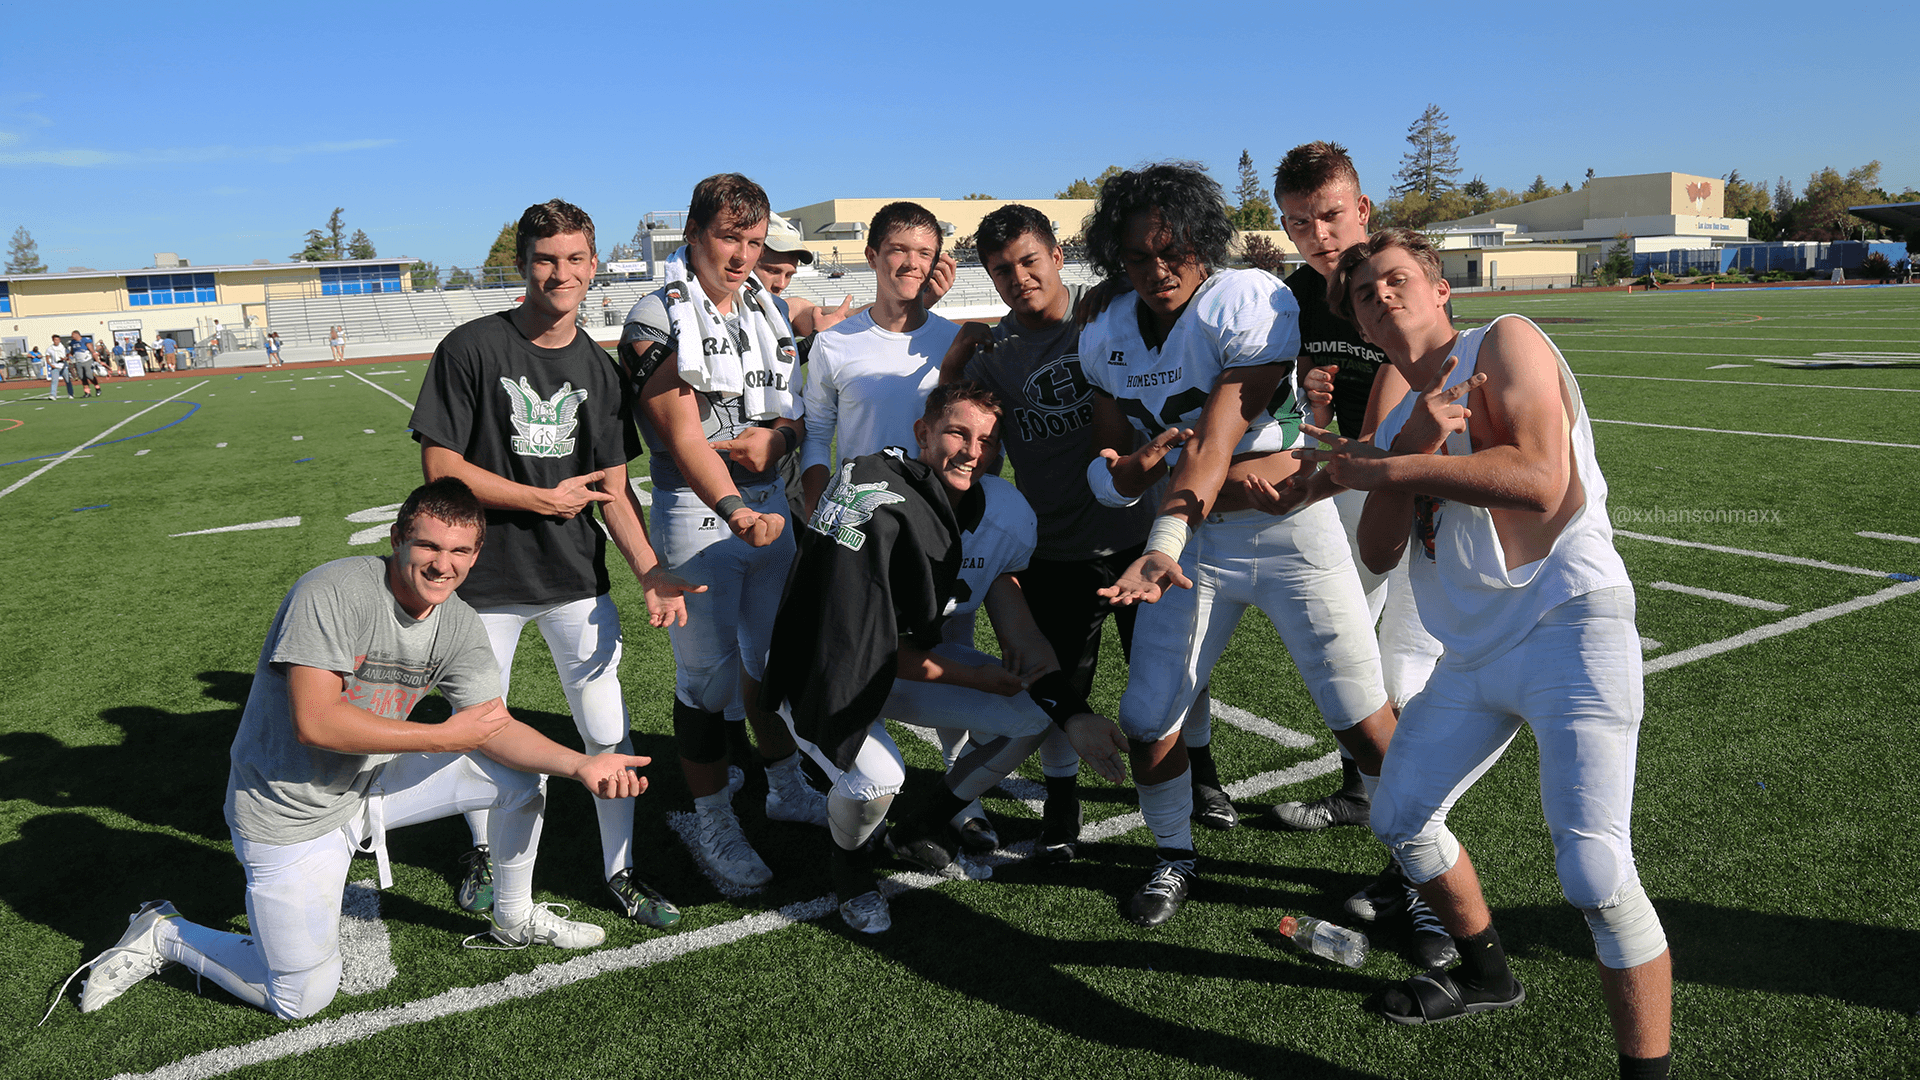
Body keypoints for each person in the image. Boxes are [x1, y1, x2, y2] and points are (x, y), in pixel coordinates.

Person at [50, 479, 643, 1024]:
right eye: (428, 546)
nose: (443, 565)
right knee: (300, 999)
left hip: (371, 783)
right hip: (289, 811)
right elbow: (316, 722)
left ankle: (513, 919)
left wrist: (580, 763)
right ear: (397, 538)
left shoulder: (458, 621)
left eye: (460, 552)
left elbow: (493, 725)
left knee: (519, 777)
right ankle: (165, 933)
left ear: (476, 554)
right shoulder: (333, 590)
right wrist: (442, 736)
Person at [1314, 229, 1671, 1077]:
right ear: (1361, 325)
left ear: (1440, 288)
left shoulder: (1503, 340)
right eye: (1364, 294)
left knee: (1594, 873)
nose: (1382, 296)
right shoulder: (1399, 418)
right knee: (1400, 819)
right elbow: (1377, 551)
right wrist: (1404, 452)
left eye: (1397, 279)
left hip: (1568, 621)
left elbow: (1543, 482)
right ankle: (1486, 975)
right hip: (1470, 652)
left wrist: (1394, 467)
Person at [1079, 162, 1399, 929]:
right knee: (1147, 717)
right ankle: (1173, 855)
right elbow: (1111, 465)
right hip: (1195, 539)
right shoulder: (1107, 332)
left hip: (1288, 531)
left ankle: (1415, 869)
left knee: (1362, 718)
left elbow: (1215, 442)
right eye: (1137, 256)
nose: (1158, 269)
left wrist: (1161, 534)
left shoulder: (1247, 299)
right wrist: (1125, 474)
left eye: (1173, 250)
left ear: (1203, 240)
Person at [761, 382, 1130, 932]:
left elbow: (1022, 635)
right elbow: (860, 646)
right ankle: (852, 869)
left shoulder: (1004, 513)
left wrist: (1073, 714)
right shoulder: (876, 500)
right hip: (823, 670)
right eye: (958, 433)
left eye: (987, 440)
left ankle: (922, 824)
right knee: (878, 779)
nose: (972, 451)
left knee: (1034, 714)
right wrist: (975, 677)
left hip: (904, 662)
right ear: (924, 433)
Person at [410, 199, 685, 929]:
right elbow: (441, 467)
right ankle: (480, 851)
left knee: (608, 732)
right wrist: (541, 499)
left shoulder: (600, 368)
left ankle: (621, 870)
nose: (560, 273)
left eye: (573, 259)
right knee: (480, 727)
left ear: (593, 266)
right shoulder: (471, 347)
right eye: (544, 259)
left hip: (573, 580)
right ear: (523, 265)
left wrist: (650, 571)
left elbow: (614, 492)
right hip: (483, 581)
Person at [621, 174, 824, 891]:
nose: (741, 255)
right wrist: (738, 508)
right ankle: (713, 818)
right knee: (706, 681)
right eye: (728, 238)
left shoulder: (763, 306)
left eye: (753, 241)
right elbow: (684, 437)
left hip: (768, 505)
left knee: (771, 666)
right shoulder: (654, 317)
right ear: (693, 235)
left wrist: (782, 439)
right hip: (700, 514)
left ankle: (785, 785)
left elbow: (795, 409)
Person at [934, 203, 1156, 860]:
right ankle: (1062, 801)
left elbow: (1162, 290)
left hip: (1140, 534)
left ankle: (1199, 778)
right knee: (1062, 685)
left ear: (1058, 256)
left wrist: (1118, 284)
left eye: (1030, 261)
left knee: (1166, 673)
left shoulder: (1110, 311)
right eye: (1002, 270)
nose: (1019, 278)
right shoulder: (994, 355)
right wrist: (953, 367)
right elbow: (968, 444)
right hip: (1055, 546)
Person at [798, 201, 961, 519]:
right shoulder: (832, 343)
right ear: (872, 256)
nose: (912, 263)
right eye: (899, 250)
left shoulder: (955, 342)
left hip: (938, 516)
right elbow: (816, 435)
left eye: (924, 253)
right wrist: (814, 507)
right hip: (858, 522)